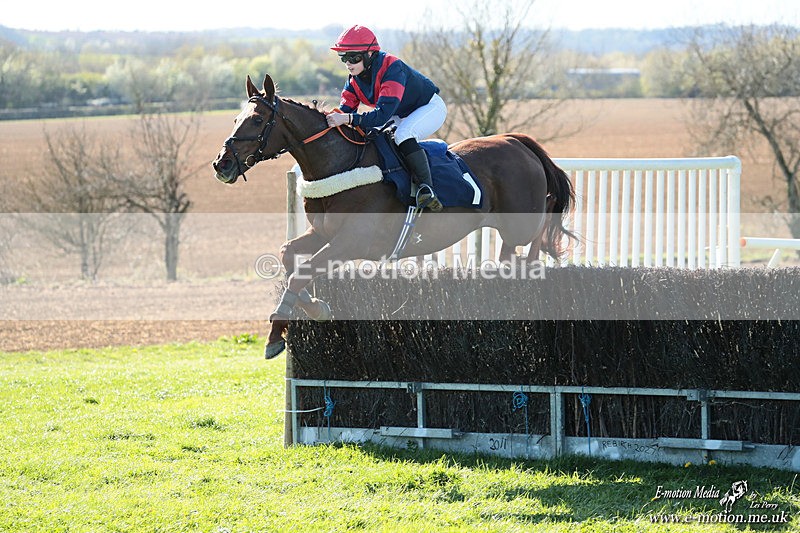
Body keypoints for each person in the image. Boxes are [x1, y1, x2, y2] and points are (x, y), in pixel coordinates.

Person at [327, 25, 446, 211]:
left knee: (403, 135)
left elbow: (381, 115)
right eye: (344, 58)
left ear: (369, 55)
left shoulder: (392, 67)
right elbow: (345, 112)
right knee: (378, 137)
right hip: (401, 113)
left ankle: (426, 189)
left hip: (429, 107)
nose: (348, 63)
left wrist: (349, 119)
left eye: (354, 57)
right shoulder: (353, 79)